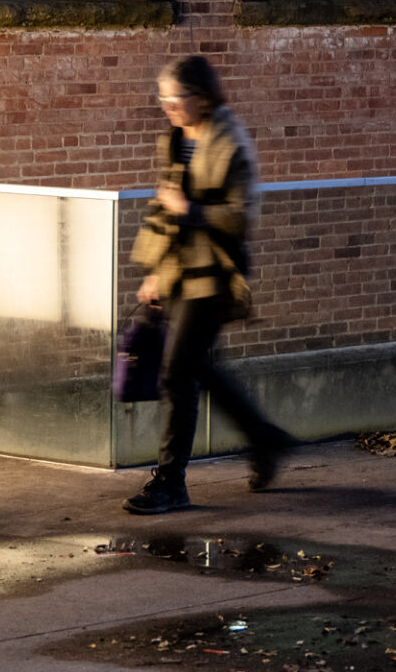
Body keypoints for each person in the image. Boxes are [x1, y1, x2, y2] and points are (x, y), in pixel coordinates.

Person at [124, 55, 292, 515]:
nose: (167, 107)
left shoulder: (230, 142)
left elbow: (240, 217)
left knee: (177, 373)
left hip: (214, 276)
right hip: (178, 270)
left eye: (175, 98)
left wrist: (189, 210)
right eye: (162, 98)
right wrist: (155, 270)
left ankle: (170, 482)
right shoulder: (176, 140)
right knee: (199, 368)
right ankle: (266, 438)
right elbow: (164, 206)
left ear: (200, 96)